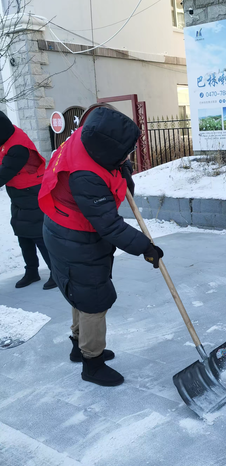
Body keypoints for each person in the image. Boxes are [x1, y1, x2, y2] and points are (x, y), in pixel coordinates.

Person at [39, 107, 163, 387]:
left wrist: (121, 166)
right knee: (94, 300)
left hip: (68, 231)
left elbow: (113, 181)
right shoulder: (86, 177)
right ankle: (91, 364)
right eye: (126, 153)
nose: (129, 156)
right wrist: (145, 247)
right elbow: (109, 225)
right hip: (74, 239)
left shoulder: (89, 139)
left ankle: (79, 345)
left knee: (80, 293)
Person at [0, 111, 56, 290]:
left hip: (32, 192)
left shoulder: (17, 148)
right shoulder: (6, 136)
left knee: (38, 234)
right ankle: (32, 271)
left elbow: (3, 173)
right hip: (17, 193)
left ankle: (56, 272)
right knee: (22, 233)